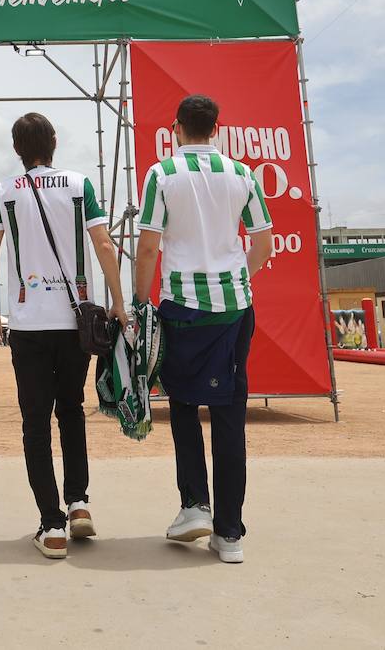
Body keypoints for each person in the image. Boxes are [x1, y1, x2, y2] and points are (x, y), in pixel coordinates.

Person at [133, 95, 275, 564]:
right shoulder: (242, 174)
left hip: (182, 308)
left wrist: (139, 304)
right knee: (230, 414)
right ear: (217, 128)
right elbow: (263, 243)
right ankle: (229, 533)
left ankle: (194, 505)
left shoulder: (161, 174)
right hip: (234, 308)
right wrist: (235, 279)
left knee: (182, 404)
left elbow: (148, 247)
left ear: (176, 127)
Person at [0, 113, 125, 560]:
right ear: (55, 141)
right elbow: (104, 244)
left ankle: (52, 524)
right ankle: (78, 502)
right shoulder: (80, 185)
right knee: (72, 410)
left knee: (35, 422)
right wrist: (118, 301)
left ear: (16, 148)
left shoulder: (2, 192)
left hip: (28, 323)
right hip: (75, 320)